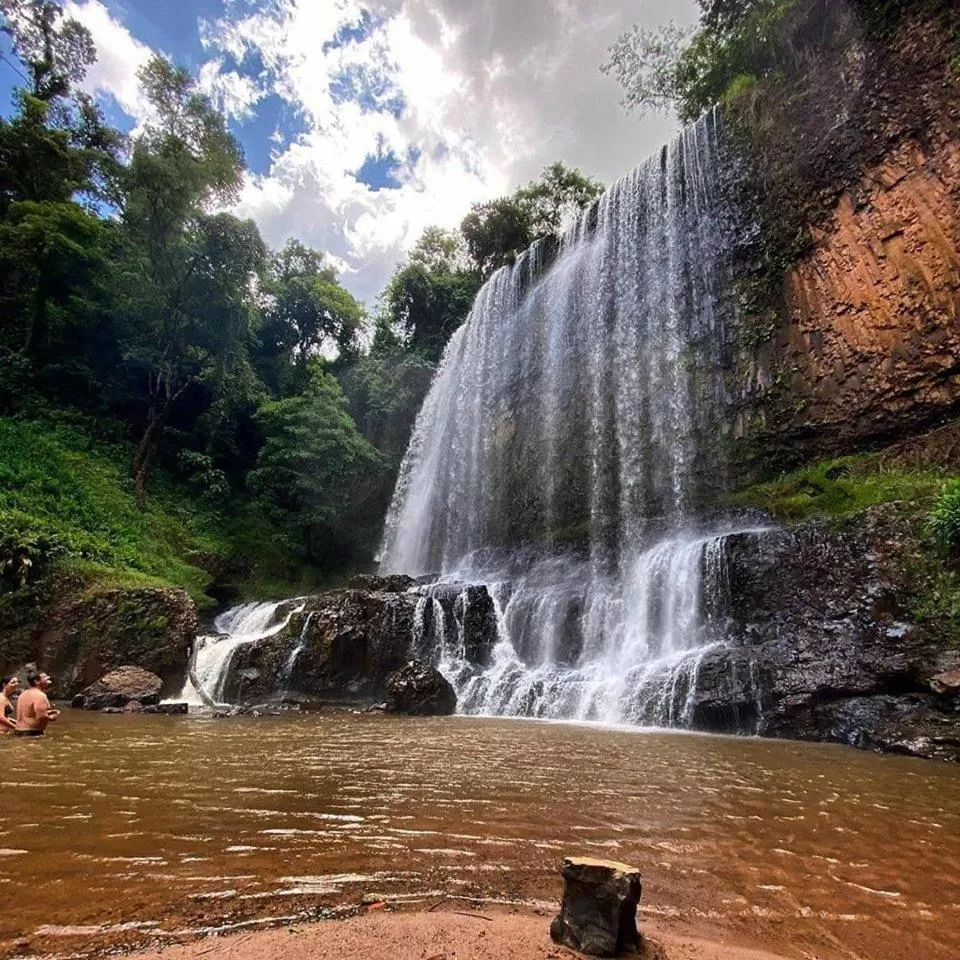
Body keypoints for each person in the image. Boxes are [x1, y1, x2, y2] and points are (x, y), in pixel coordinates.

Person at [14, 669, 59, 737]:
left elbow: (29, 713)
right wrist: (53, 716)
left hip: (18, 731)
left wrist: (48, 712)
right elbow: (41, 716)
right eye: (44, 677)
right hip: (32, 733)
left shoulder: (23, 694)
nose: (48, 678)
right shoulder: (40, 695)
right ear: (36, 681)